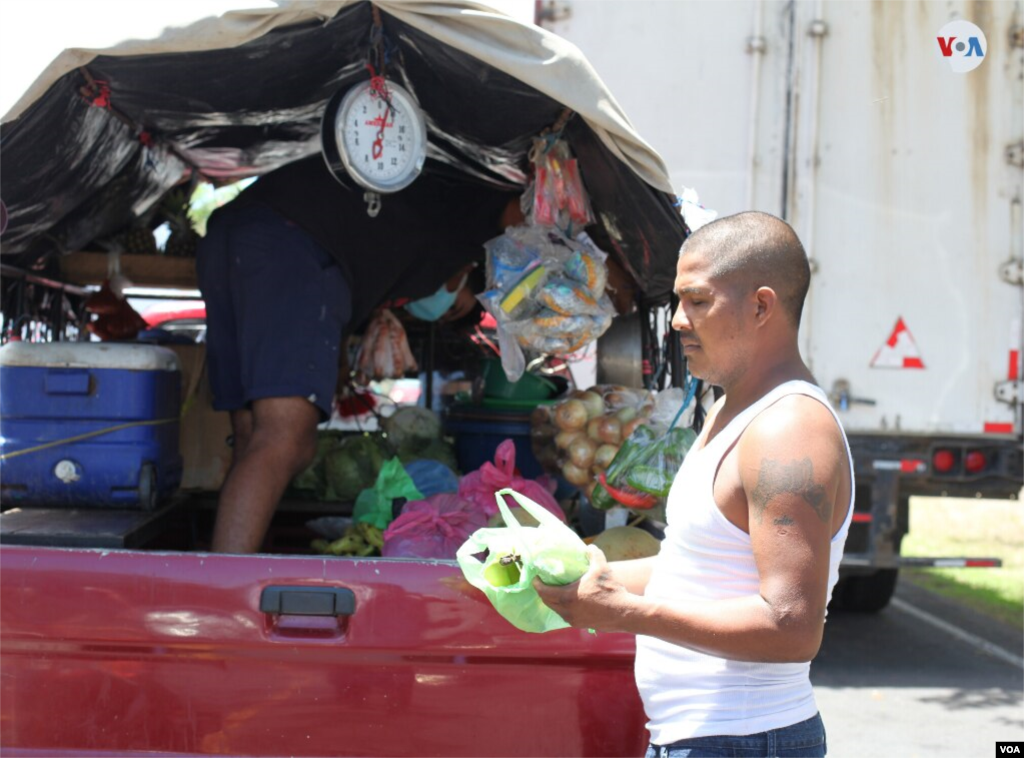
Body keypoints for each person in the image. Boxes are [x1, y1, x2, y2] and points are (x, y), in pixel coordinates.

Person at [534, 211, 854, 757]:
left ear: (761, 306)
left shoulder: (787, 429)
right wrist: (578, 571)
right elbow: (700, 565)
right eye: (679, 301)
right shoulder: (733, 409)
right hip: (708, 739)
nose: (679, 320)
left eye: (698, 301)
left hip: (745, 739)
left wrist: (625, 613)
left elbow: (791, 627)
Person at [197, 155, 521, 553]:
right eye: (457, 304)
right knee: (287, 441)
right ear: (471, 271)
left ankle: (235, 570)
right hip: (291, 238)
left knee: (253, 436)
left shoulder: (405, 257)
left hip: (238, 232)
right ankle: (227, 591)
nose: (443, 308)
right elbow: (521, 212)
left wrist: (335, 360)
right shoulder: (471, 210)